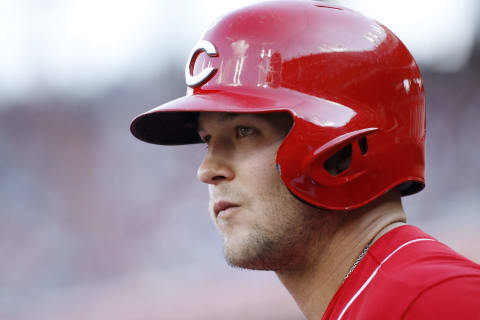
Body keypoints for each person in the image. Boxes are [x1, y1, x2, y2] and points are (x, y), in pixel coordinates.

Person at [130, 1, 480, 319]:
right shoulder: (385, 296)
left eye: (244, 131)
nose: (207, 171)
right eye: (207, 141)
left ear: (342, 151)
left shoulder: (437, 301)